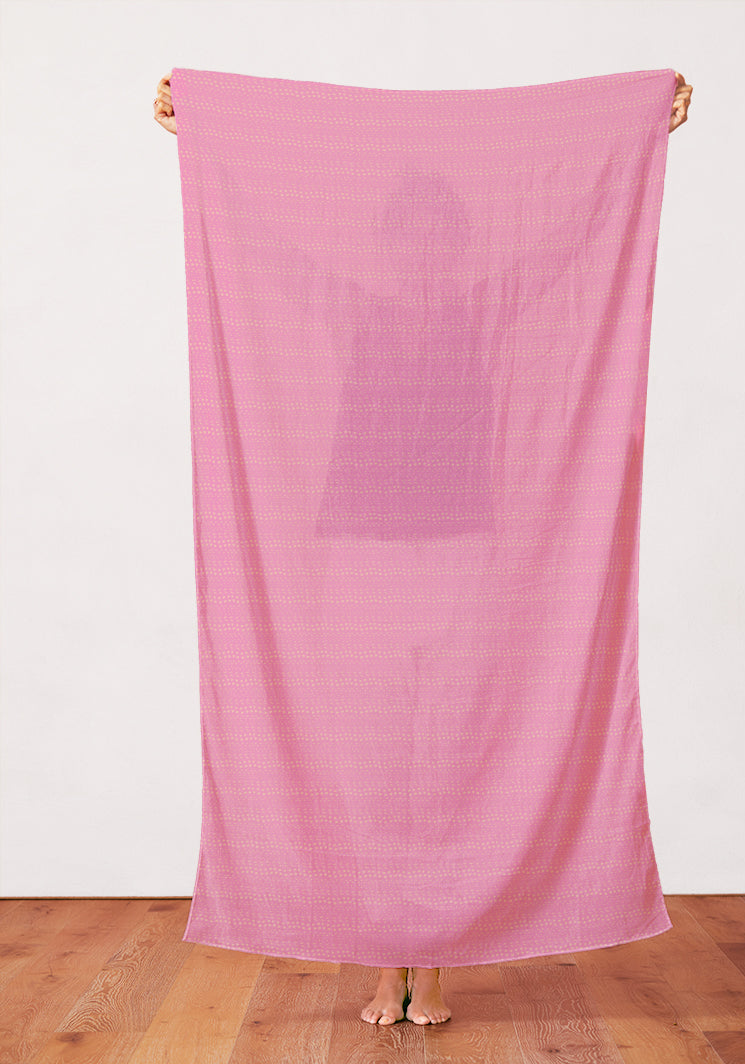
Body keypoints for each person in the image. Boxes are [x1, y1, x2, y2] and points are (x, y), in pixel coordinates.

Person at [152, 67, 692, 1028]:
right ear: (383, 249)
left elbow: (572, 243)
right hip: (359, 562)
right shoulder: (350, 306)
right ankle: (382, 961)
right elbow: (265, 249)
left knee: (445, 757)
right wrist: (199, 142)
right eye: (404, 241)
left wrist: (646, 139)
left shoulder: (485, 309)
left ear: (457, 250)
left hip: (462, 561)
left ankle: (433, 964)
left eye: (437, 241)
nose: (419, 258)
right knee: (367, 762)